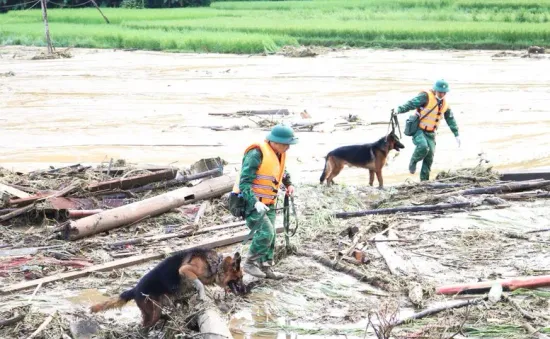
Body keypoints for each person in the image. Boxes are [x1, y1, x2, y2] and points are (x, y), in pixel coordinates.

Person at [231, 124, 297, 279]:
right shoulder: (256, 153)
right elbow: (244, 182)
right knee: (266, 232)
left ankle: (266, 266)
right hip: (250, 202)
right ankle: (250, 263)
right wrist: (254, 202)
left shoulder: (278, 153)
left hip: (269, 202)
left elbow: (282, 171)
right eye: (285, 144)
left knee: (272, 234)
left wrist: (289, 185)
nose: (288, 147)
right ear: (274, 142)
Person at [393, 79, 460, 181]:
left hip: (431, 133)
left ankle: (424, 182)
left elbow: (450, 119)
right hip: (419, 130)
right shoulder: (425, 96)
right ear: (435, 90)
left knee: (429, 158)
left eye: (444, 92)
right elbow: (411, 104)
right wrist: (398, 110)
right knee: (423, 146)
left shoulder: (445, 104)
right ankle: (413, 161)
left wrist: (456, 134)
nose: (442, 94)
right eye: (440, 92)